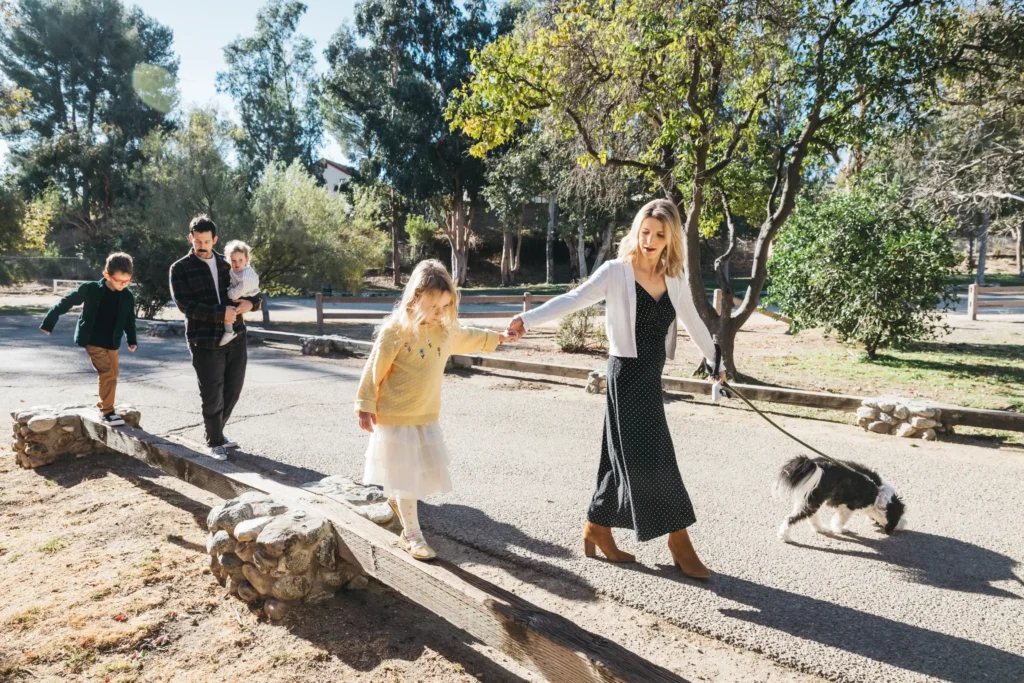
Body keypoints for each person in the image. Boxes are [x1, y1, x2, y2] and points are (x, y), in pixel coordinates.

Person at [505, 199, 725, 579]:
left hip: (650, 377)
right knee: (655, 457)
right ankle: (678, 539)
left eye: (659, 234)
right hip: (625, 376)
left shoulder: (674, 277)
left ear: (671, 238)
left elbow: (693, 321)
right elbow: (573, 300)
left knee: (618, 456)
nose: (650, 240)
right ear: (636, 231)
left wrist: (715, 363)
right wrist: (527, 319)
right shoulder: (616, 272)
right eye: (645, 232)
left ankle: (598, 526)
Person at [355, 260, 519, 561]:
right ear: (414, 299)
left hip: (424, 415)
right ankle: (413, 535)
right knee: (405, 475)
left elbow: (468, 336)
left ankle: (398, 503)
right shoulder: (396, 330)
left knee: (415, 473)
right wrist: (365, 405)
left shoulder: (444, 330)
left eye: (446, 306)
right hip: (395, 415)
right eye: (434, 306)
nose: (440, 313)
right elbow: (373, 368)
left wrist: (499, 338)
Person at [169, 215, 261, 461]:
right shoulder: (180, 268)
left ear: (214, 240)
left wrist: (250, 305)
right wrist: (222, 314)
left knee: (233, 389)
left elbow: (254, 292)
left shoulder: (228, 263)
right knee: (212, 392)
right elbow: (185, 305)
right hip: (204, 340)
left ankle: (217, 431)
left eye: (206, 241)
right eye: (197, 240)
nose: (201, 245)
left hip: (237, 337)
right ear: (190, 238)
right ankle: (215, 440)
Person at [40, 252, 138, 426]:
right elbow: (66, 302)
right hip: (92, 340)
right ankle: (107, 412)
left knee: (113, 374)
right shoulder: (91, 289)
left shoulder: (127, 296)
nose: (124, 285)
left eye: (127, 281)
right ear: (107, 275)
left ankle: (103, 404)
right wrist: (50, 320)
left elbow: (129, 319)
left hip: (112, 342)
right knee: (107, 373)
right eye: (119, 281)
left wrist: (132, 339)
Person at [220, 240, 260, 347]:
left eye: (240, 260)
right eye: (233, 260)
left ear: (247, 260)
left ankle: (229, 331)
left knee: (229, 309)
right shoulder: (234, 270)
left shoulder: (246, 275)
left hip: (249, 294)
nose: (237, 263)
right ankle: (231, 330)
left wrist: (229, 293)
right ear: (229, 260)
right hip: (242, 293)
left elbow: (236, 293)